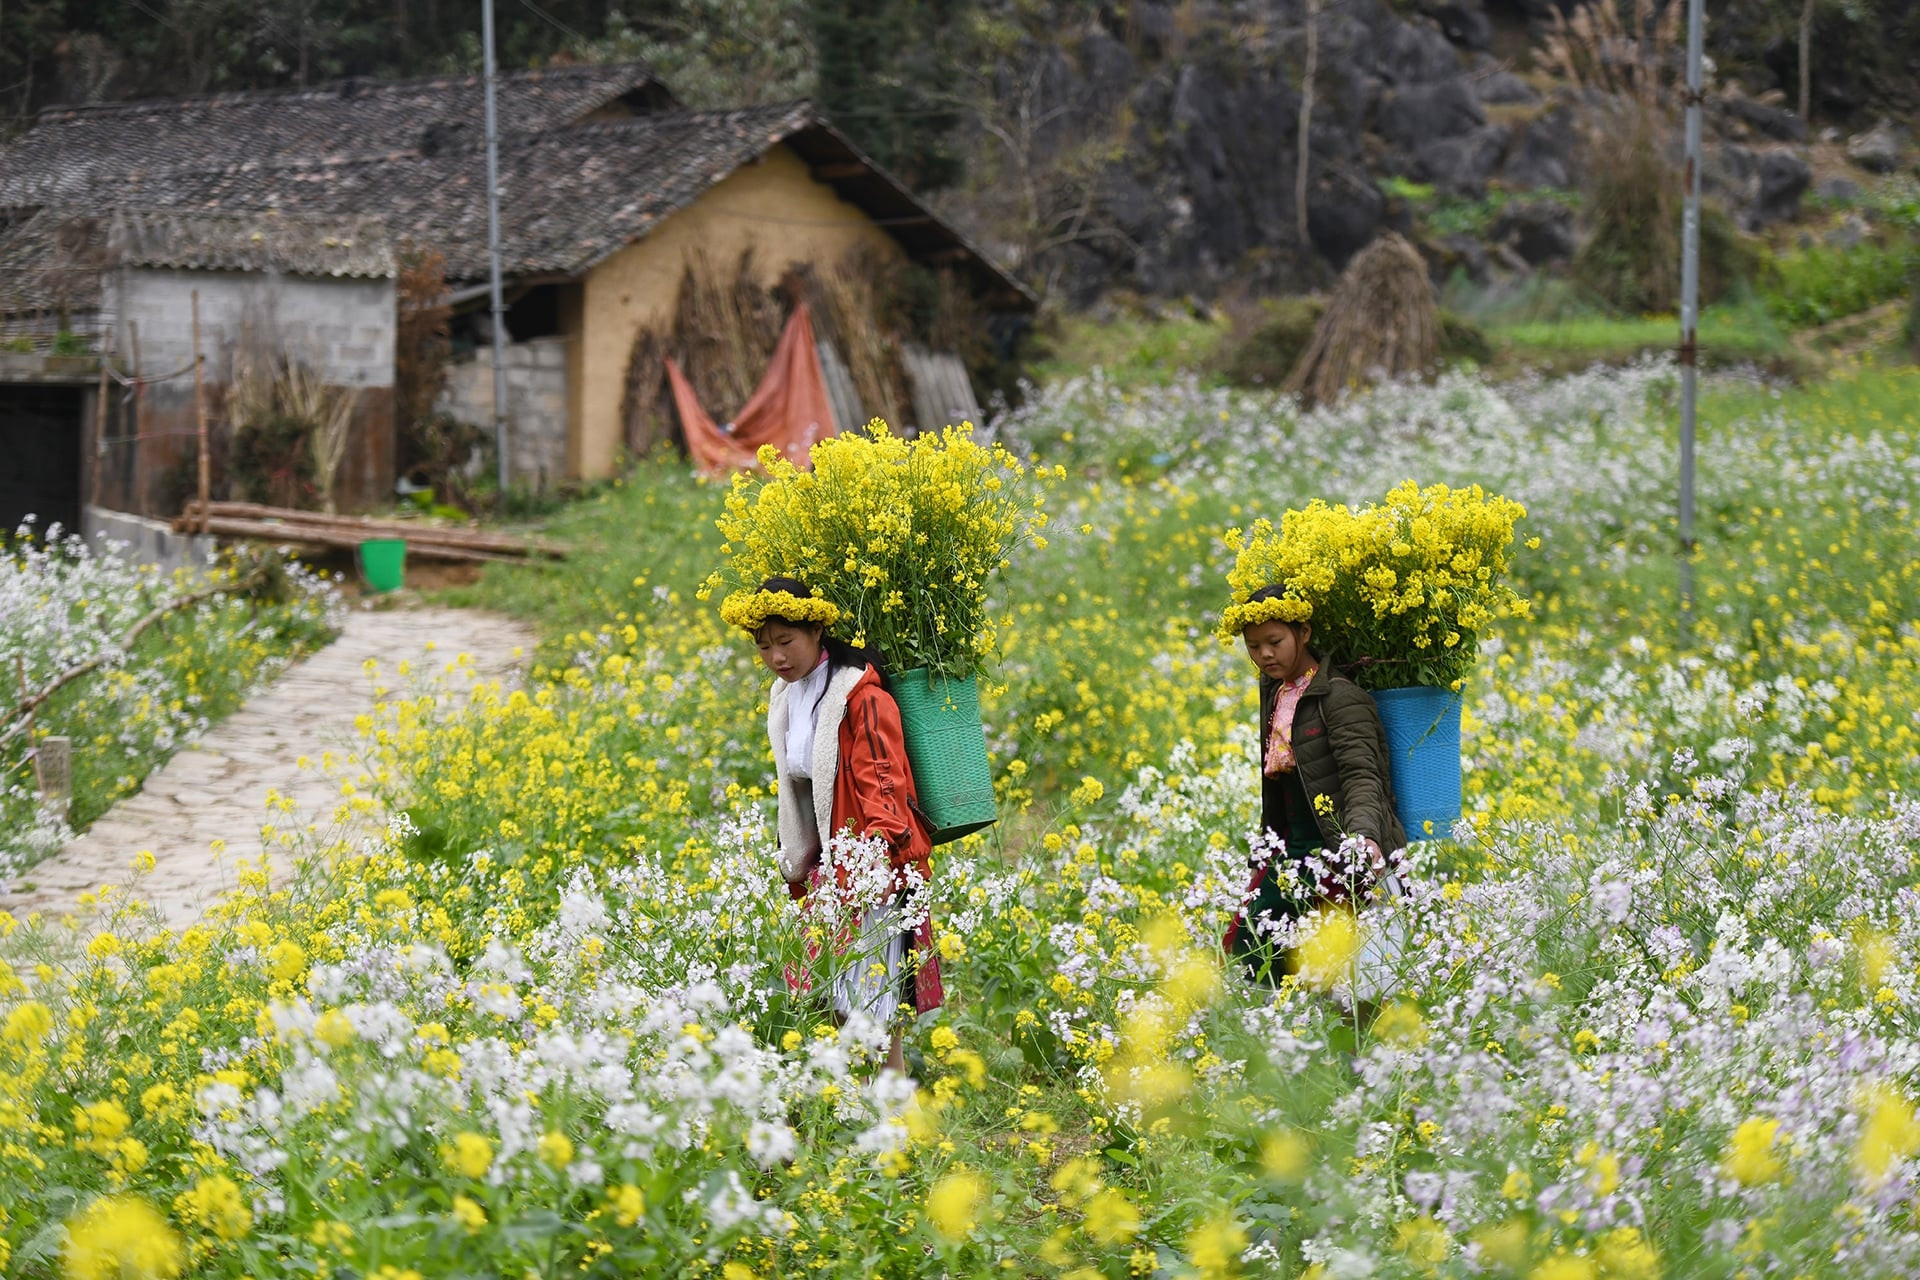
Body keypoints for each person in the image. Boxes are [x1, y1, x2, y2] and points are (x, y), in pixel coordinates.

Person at [733, 575, 943, 1072]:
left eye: (786, 642)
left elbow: (884, 783)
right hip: (826, 868)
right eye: (765, 647)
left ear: (817, 632)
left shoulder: (862, 695)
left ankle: (888, 1124)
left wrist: (871, 863)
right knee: (832, 999)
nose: (777, 657)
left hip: (869, 863)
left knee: (873, 1005)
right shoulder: (787, 697)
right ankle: (856, 1117)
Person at [1221, 584, 1408, 980]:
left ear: (1304, 632)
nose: (1264, 655)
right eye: (1253, 647)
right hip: (1290, 849)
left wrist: (1361, 840)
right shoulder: (1274, 693)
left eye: (1274, 641)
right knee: (1251, 954)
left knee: (1347, 976)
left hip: (1337, 848)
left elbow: (1363, 776)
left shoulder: (1340, 697)